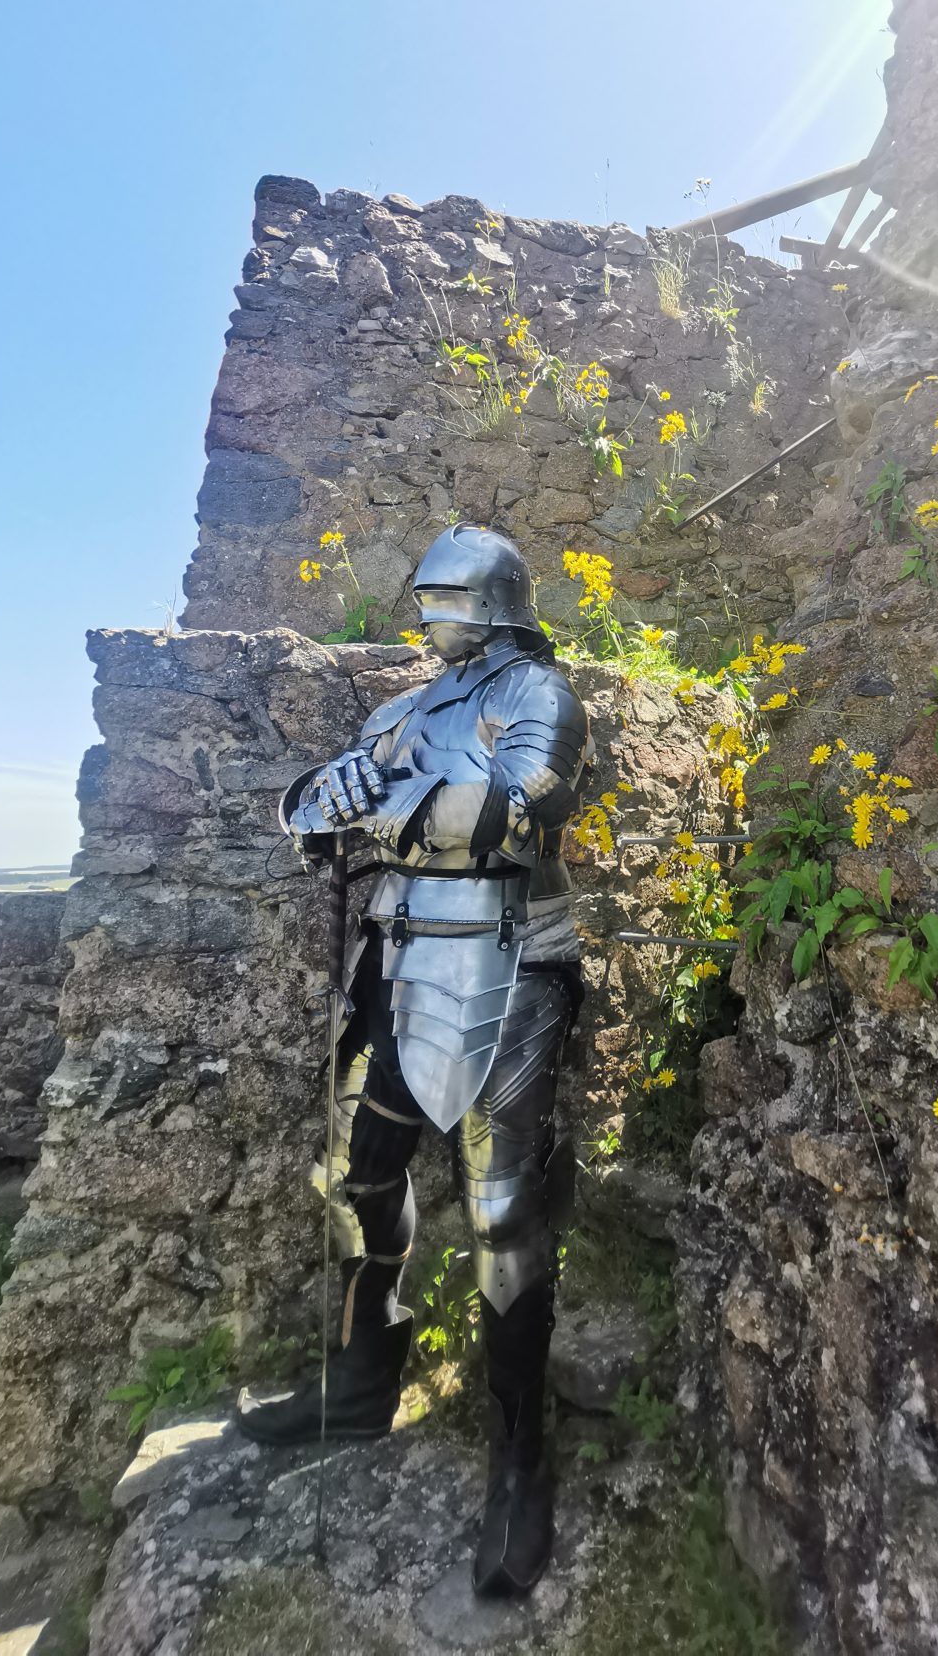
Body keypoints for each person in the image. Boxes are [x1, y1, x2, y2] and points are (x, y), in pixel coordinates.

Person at [237, 523, 592, 1599]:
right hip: (392, 964)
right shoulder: (399, 709)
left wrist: (390, 816)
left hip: (508, 962)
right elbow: (319, 806)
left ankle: (518, 1461)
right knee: (356, 1178)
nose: (425, 616)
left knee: (502, 1216)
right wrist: (318, 800)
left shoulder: (538, 694)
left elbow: (529, 810)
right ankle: (360, 1386)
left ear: (489, 603)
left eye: (443, 598)